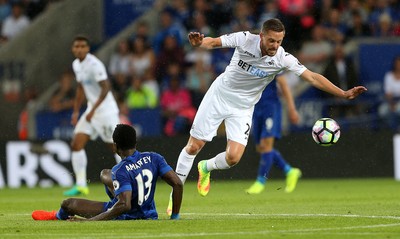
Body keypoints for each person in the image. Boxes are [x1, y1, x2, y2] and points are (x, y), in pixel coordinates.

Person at [166, 18, 367, 214]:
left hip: (243, 108)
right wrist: (200, 43)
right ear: (261, 36)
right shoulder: (245, 39)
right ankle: (175, 196)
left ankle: (206, 167)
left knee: (233, 158)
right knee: (194, 146)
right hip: (219, 96)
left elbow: (312, 77)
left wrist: (343, 93)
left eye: (279, 41)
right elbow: (214, 42)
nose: (275, 45)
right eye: (271, 40)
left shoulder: (282, 58)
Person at [32, 124, 183, 221]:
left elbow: (124, 205)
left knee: (67, 204)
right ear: (135, 142)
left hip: (124, 215)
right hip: (150, 214)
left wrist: (89, 221)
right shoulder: (154, 158)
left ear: (115, 147)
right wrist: (175, 216)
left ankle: (58, 217)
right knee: (105, 173)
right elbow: (177, 183)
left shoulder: (120, 170)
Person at [63, 36, 121, 197]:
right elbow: (81, 88)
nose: (79, 49)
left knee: (117, 149)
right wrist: (76, 111)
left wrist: (93, 110)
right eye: (77, 46)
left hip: (106, 112)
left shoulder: (95, 65)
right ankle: (81, 185)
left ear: (88, 49)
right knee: (76, 144)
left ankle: (128, 180)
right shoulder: (76, 65)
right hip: (91, 112)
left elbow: (106, 88)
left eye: (83, 46)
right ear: (73, 49)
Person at [246, 74, 301, 195]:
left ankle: (260, 181)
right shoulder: (249, 60)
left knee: (266, 145)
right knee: (260, 148)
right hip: (256, 108)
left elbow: (284, 85)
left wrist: (291, 109)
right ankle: (290, 171)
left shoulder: (272, 60)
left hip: (270, 108)